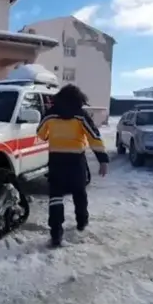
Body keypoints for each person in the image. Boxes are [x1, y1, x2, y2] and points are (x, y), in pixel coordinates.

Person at [36, 84, 109, 247]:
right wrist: (102, 159)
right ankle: (81, 220)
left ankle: (56, 232)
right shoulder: (81, 116)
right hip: (76, 161)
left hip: (56, 160)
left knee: (55, 196)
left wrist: (50, 135)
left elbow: (40, 134)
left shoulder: (50, 115)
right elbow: (94, 137)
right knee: (79, 192)